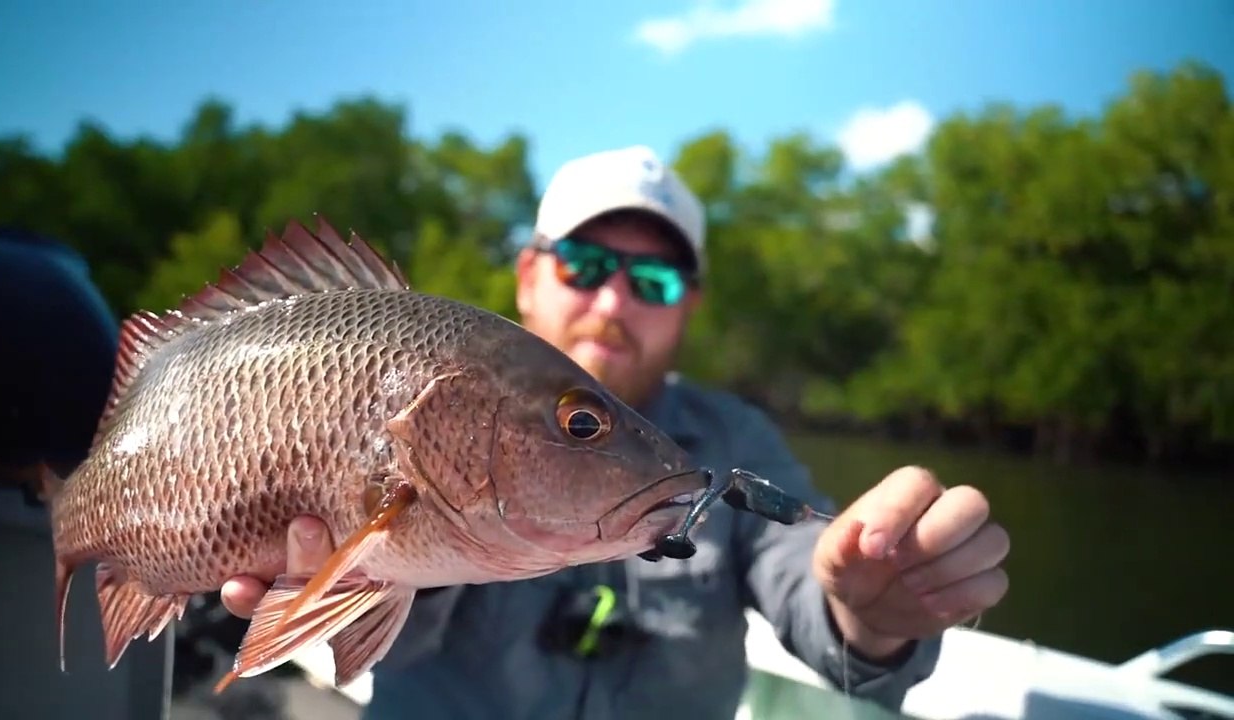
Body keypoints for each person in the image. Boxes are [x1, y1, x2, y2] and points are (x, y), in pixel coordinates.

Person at [220, 145, 1011, 719]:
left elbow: (803, 572)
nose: (613, 303)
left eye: (654, 280)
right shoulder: (433, 392)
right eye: (587, 266)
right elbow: (397, 641)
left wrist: (871, 617)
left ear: (688, 307)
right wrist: (351, 575)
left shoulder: (730, 440)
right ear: (530, 275)